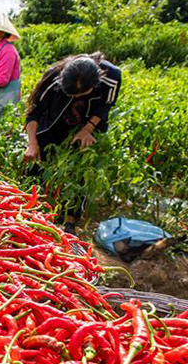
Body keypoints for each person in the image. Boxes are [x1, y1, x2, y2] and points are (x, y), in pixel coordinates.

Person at [24, 52, 122, 234]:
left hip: (88, 125)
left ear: (96, 82)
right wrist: (32, 143)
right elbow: (34, 112)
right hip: (54, 124)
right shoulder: (53, 76)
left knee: (82, 171)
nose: (76, 97)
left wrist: (87, 129)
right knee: (36, 166)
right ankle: (28, 209)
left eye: (82, 93)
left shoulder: (112, 76)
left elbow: (105, 106)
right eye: (71, 93)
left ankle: (70, 221)